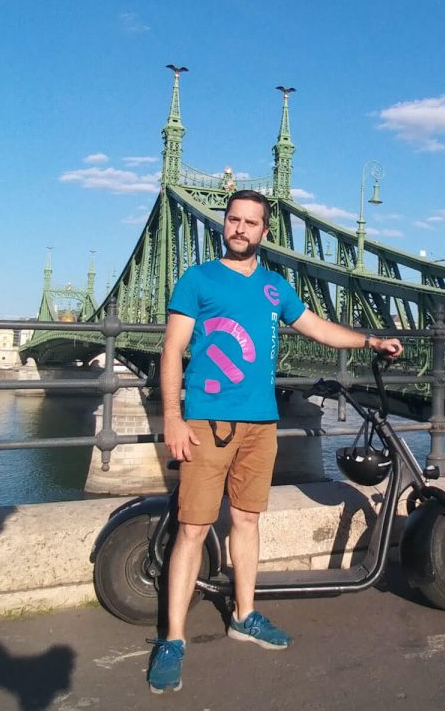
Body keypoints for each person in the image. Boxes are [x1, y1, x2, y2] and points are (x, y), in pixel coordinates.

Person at [147, 189, 402, 694]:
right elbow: (173, 350)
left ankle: (245, 615)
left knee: (246, 520)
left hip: (261, 426)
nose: (240, 229)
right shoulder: (197, 279)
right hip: (206, 424)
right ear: (225, 224)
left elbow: (317, 329)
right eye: (233, 220)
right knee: (193, 530)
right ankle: (173, 639)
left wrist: (370, 340)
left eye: (251, 223)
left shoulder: (274, 286)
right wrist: (173, 419)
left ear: (265, 232)